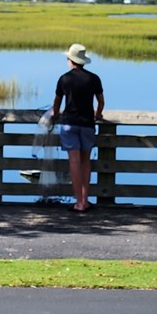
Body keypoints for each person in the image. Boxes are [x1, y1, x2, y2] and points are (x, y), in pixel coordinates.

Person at [50, 43, 105, 211]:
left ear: (70, 60)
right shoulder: (93, 78)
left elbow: (56, 103)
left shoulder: (64, 79)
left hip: (68, 123)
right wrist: (97, 114)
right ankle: (86, 201)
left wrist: (55, 114)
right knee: (86, 161)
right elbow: (101, 102)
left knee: (74, 161)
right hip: (87, 124)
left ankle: (78, 202)